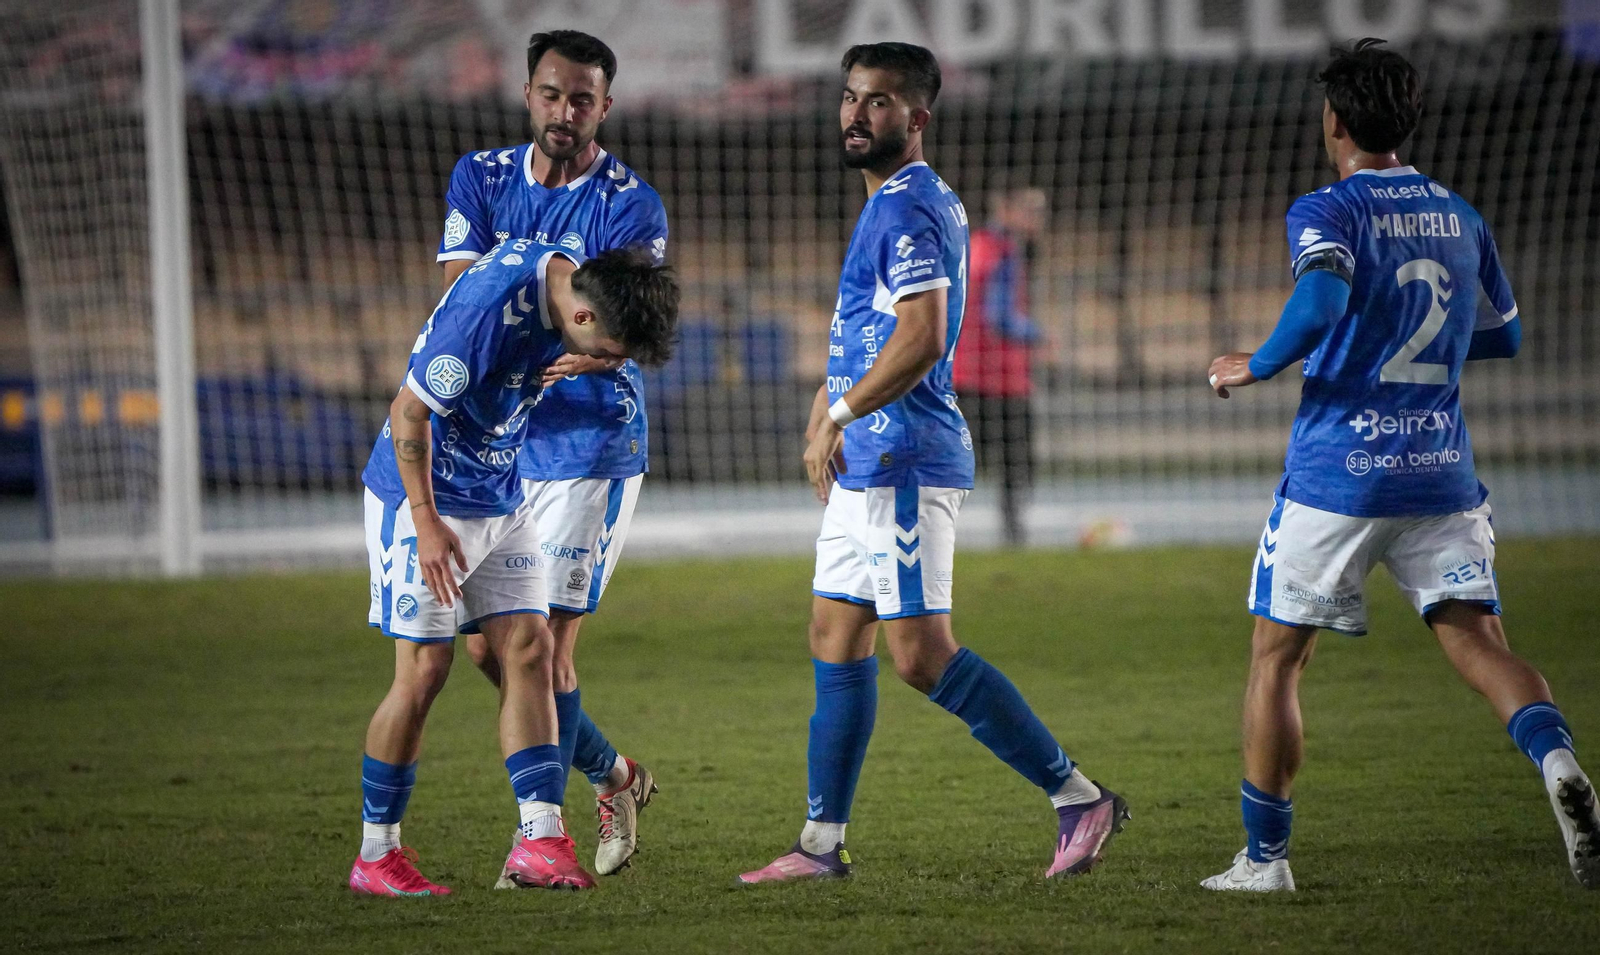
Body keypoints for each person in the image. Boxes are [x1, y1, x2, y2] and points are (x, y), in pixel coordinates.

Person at [1202, 38, 1597, 892]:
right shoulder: (1460, 213)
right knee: (1479, 640)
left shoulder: (1328, 208)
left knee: (1277, 656)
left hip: (1340, 474)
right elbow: (1508, 333)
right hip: (1439, 468)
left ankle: (1264, 860)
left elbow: (1323, 296)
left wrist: (1259, 362)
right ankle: (1559, 761)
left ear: (1333, 119)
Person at [736, 42, 1128, 886]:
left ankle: (1079, 796)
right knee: (836, 635)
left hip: (905, 458)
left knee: (919, 654)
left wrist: (838, 412)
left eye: (877, 102)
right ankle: (818, 843)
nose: (855, 114)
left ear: (916, 118)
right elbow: (875, 331)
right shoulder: (890, 202)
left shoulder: (911, 205)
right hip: (869, 455)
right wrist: (827, 402)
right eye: (848, 97)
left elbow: (921, 336)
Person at [350, 241, 678, 895]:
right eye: (609, 353)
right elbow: (408, 411)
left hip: (501, 491)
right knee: (425, 670)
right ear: (582, 318)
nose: (607, 366)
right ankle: (375, 854)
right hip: (427, 496)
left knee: (529, 646)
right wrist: (426, 521)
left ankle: (542, 839)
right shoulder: (485, 312)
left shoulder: (576, 280)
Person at [436, 30, 668, 878]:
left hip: (589, 445)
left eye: (582, 99)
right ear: (527, 93)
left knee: (548, 650)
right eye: (550, 93)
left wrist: (535, 341)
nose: (564, 112)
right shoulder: (481, 178)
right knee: (488, 652)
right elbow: (463, 297)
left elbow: (623, 337)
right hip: (502, 445)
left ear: (604, 107)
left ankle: (543, 840)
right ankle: (616, 773)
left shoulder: (630, 205)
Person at [952, 188, 1047, 547]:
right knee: (1017, 463)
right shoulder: (1003, 254)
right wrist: (1040, 336)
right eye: (1032, 210)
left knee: (957, 460)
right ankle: (1013, 533)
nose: (1039, 219)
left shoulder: (973, 246)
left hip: (965, 372)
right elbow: (999, 316)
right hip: (1000, 377)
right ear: (1006, 209)